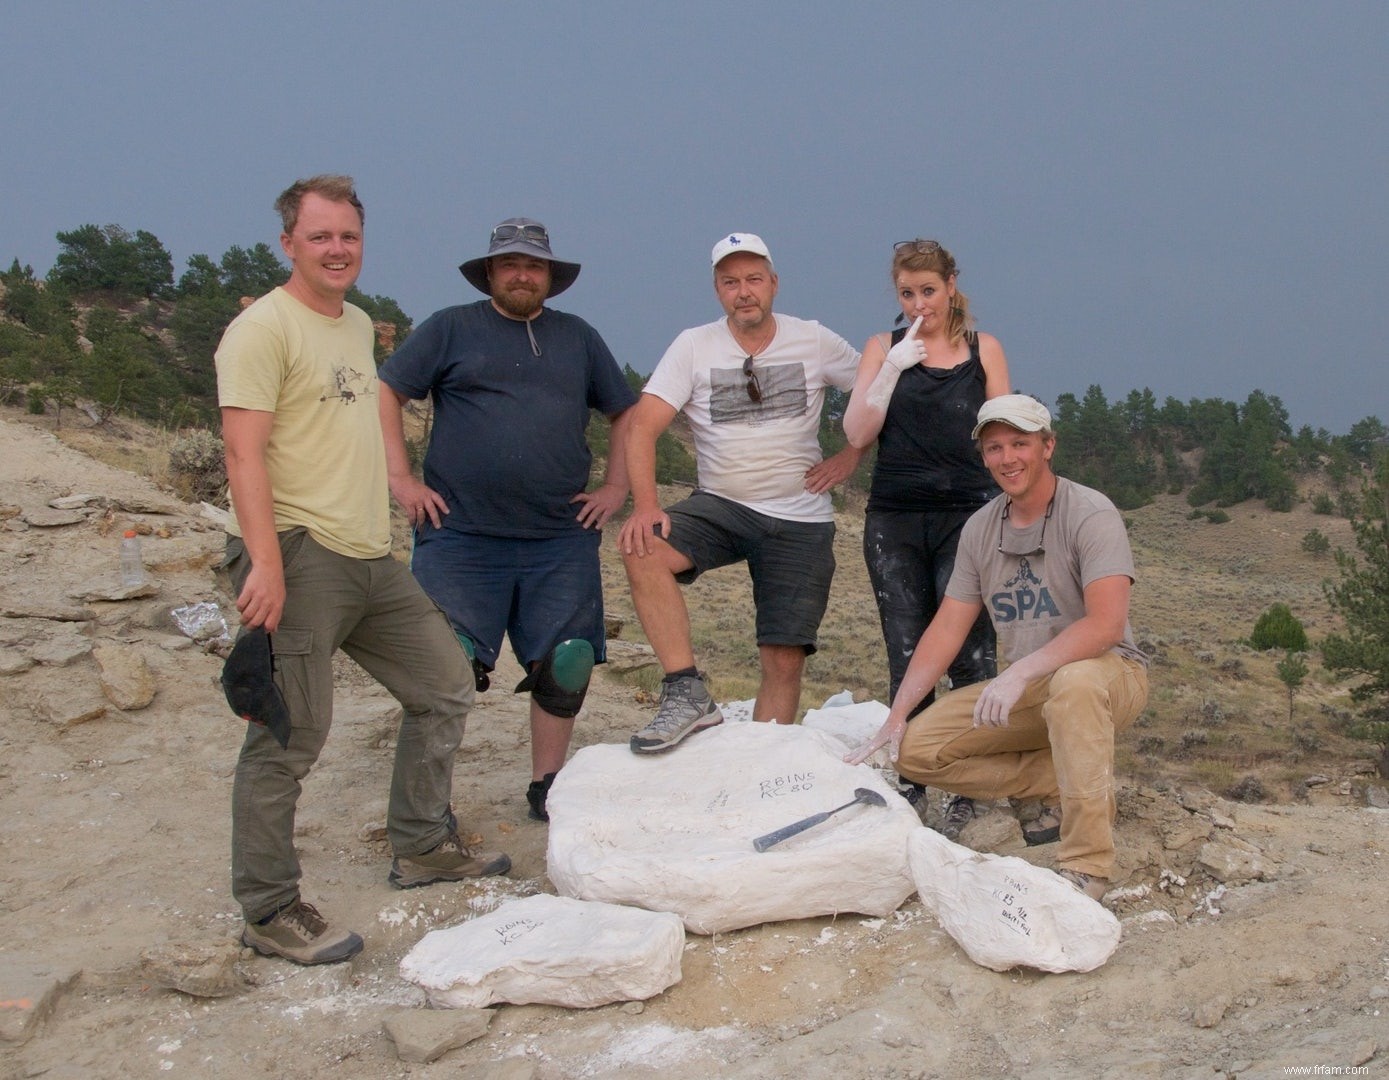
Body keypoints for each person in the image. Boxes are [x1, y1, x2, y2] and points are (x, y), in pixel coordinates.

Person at [216, 175, 510, 967]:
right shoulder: (261, 330)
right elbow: (242, 454)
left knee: (445, 686)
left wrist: (395, 490)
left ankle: (419, 845)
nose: (336, 250)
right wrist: (267, 567)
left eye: (347, 236)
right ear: (288, 243)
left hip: (367, 553)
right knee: (289, 735)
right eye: (319, 237)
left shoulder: (353, 325)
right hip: (300, 552)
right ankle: (269, 909)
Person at [377, 218, 636, 821]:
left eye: (535, 265)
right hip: (459, 535)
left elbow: (624, 411)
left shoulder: (578, 337)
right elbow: (388, 390)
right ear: (490, 272)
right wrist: (399, 478)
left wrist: (618, 485)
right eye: (511, 264)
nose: (523, 274)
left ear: (550, 276)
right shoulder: (450, 328)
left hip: (558, 537)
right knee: (443, 665)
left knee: (567, 664)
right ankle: (427, 810)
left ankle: (547, 789)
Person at [847, 395, 1149, 902]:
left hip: (1109, 675)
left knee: (1074, 683)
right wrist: (896, 716)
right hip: (1034, 686)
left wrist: (1018, 672)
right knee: (916, 752)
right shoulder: (982, 528)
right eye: (994, 448)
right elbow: (947, 627)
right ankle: (1067, 775)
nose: (1007, 458)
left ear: (1048, 446)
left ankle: (1087, 868)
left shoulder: (1090, 513)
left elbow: (1105, 624)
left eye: (1019, 444)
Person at [619, 232, 861, 753]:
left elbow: (877, 392)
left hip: (800, 518)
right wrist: (645, 506)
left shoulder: (813, 340)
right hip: (722, 505)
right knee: (643, 547)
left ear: (774, 284)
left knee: (783, 658)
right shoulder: (694, 344)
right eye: (731, 282)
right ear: (717, 290)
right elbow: (642, 427)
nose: (743, 291)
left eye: (753, 279)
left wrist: (851, 455)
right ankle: (686, 693)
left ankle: (761, 764)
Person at [842, 239, 1010, 838]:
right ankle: (914, 777)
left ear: (952, 285)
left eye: (929, 291)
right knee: (908, 652)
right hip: (895, 519)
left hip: (971, 517)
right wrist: (892, 368)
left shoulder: (983, 350)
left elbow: (1001, 435)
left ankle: (970, 781)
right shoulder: (882, 349)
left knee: (971, 654)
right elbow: (858, 430)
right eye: (908, 293)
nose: (920, 304)